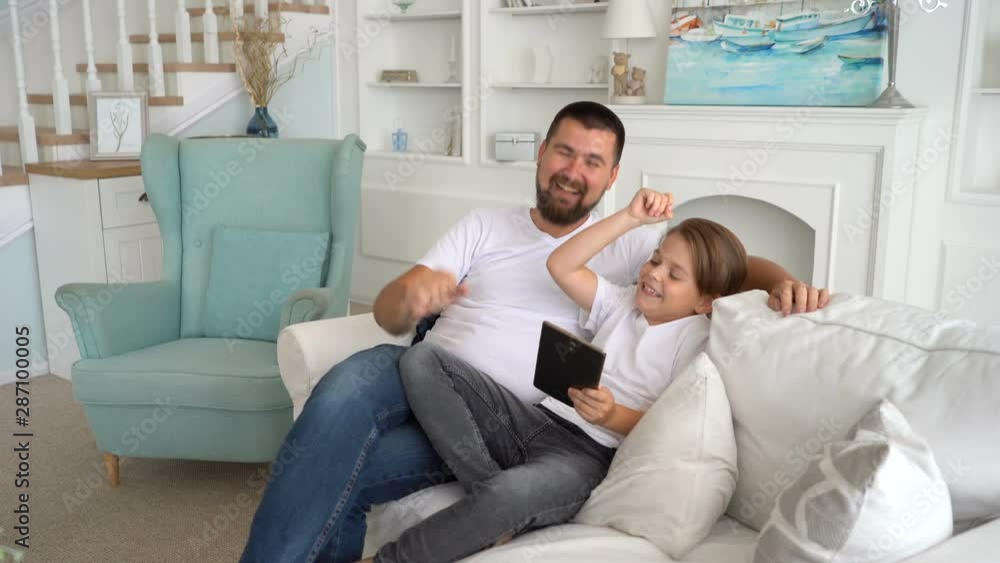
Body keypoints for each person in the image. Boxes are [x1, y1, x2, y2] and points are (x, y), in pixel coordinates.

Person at [240, 102, 831, 563]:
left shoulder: (636, 252)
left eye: (592, 162)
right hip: (434, 378)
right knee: (341, 393)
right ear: (542, 153)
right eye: (564, 152)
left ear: (612, 177)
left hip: (512, 424)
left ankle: (480, 503)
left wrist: (782, 281)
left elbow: (725, 266)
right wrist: (411, 298)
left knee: (334, 472)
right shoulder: (483, 225)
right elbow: (393, 313)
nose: (573, 171)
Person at [362, 190, 747, 563]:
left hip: (586, 455)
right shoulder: (622, 302)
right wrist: (631, 217)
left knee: (509, 493)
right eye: (655, 260)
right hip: (537, 418)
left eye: (674, 274)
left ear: (705, 301)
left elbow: (673, 425)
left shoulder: (695, 339)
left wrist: (612, 415)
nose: (654, 273)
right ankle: (485, 486)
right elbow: (561, 264)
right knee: (422, 358)